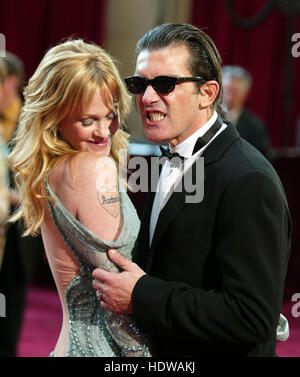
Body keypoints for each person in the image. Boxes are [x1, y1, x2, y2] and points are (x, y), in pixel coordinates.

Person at [92, 23, 292, 357]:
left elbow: (252, 317)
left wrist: (141, 295)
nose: (147, 97)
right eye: (139, 84)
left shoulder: (248, 179)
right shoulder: (169, 155)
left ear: (208, 93)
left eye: (165, 84)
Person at [8, 39, 150, 357]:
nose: (104, 131)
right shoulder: (89, 167)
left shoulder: (56, 169)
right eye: (87, 121)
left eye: (110, 115)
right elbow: (121, 288)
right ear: (54, 117)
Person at [222, 65, 270, 158]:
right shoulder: (205, 117)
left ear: (245, 93)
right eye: (227, 90)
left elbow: (262, 160)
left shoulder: (255, 127)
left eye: (235, 92)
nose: (230, 97)